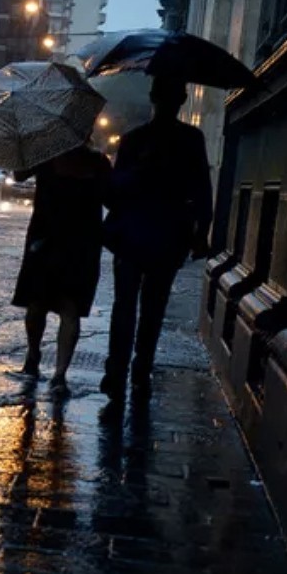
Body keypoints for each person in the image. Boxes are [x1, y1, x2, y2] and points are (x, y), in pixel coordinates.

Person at [100, 75, 213, 402]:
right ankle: (140, 370)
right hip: (169, 237)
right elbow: (202, 190)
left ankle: (117, 371)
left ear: (152, 97)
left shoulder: (134, 140)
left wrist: (135, 175)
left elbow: (113, 194)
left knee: (126, 306)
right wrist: (201, 232)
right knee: (153, 307)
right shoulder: (192, 139)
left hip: (133, 236)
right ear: (183, 100)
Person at [12, 143, 112, 394]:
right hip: (54, 242)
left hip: (73, 245)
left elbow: (112, 198)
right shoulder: (48, 155)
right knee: (40, 305)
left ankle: (58, 373)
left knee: (67, 308)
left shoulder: (96, 162)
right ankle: (36, 357)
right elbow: (19, 174)